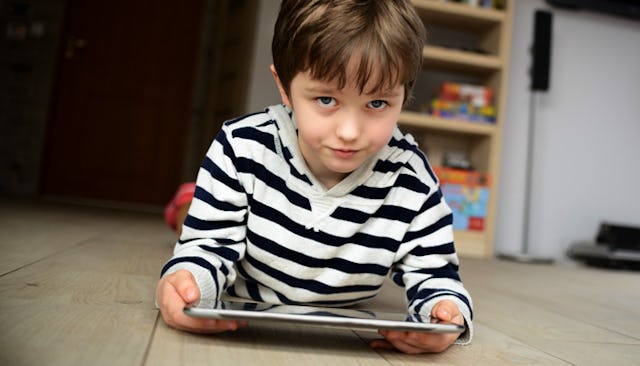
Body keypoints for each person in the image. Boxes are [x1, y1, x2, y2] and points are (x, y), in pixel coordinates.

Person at [156, 0, 473, 354]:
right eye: (326, 99)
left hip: (346, 328)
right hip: (243, 315)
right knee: (194, 217)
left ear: (404, 94)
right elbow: (207, 247)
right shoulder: (241, 147)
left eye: (378, 104)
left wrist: (444, 315)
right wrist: (188, 284)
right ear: (284, 87)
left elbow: (436, 275)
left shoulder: (411, 176)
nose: (350, 131)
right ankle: (186, 201)